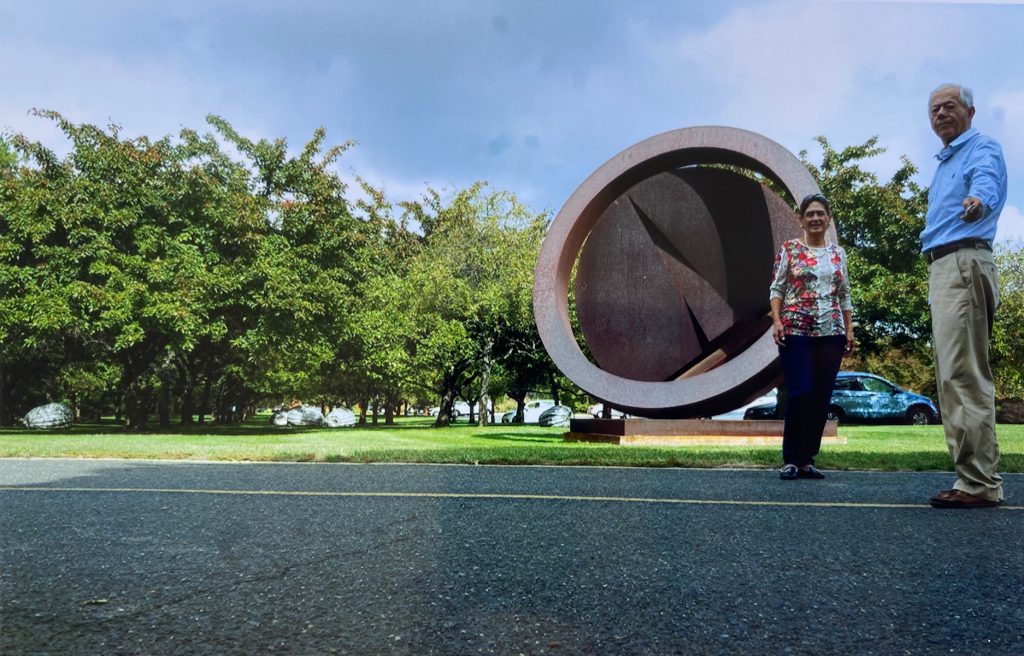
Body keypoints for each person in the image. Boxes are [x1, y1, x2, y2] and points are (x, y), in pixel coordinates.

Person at [921, 84, 1008, 509]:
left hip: (963, 261)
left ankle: (979, 483)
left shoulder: (980, 148)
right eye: (934, 109)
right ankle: (971, 477)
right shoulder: (946, 162)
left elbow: (986, 182)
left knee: (964, 374)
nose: (940, 113)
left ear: (970, 112)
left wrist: (978, 201)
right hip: (944, 266)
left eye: (949, 106)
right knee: (951, 376)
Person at [769, 193, 855, 480]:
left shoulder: (838, 254)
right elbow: (777, 288)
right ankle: (791, 459)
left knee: (820, 396)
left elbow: (845, 294)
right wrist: (777, 321)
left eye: (820, 213)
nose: (815, 218)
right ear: (801, 219)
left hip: (831, 332)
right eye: (810, 214)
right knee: (800, 392)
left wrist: (849, 329)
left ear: (828, 219)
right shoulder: (790, 249)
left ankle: (807, 459)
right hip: (796, 330)